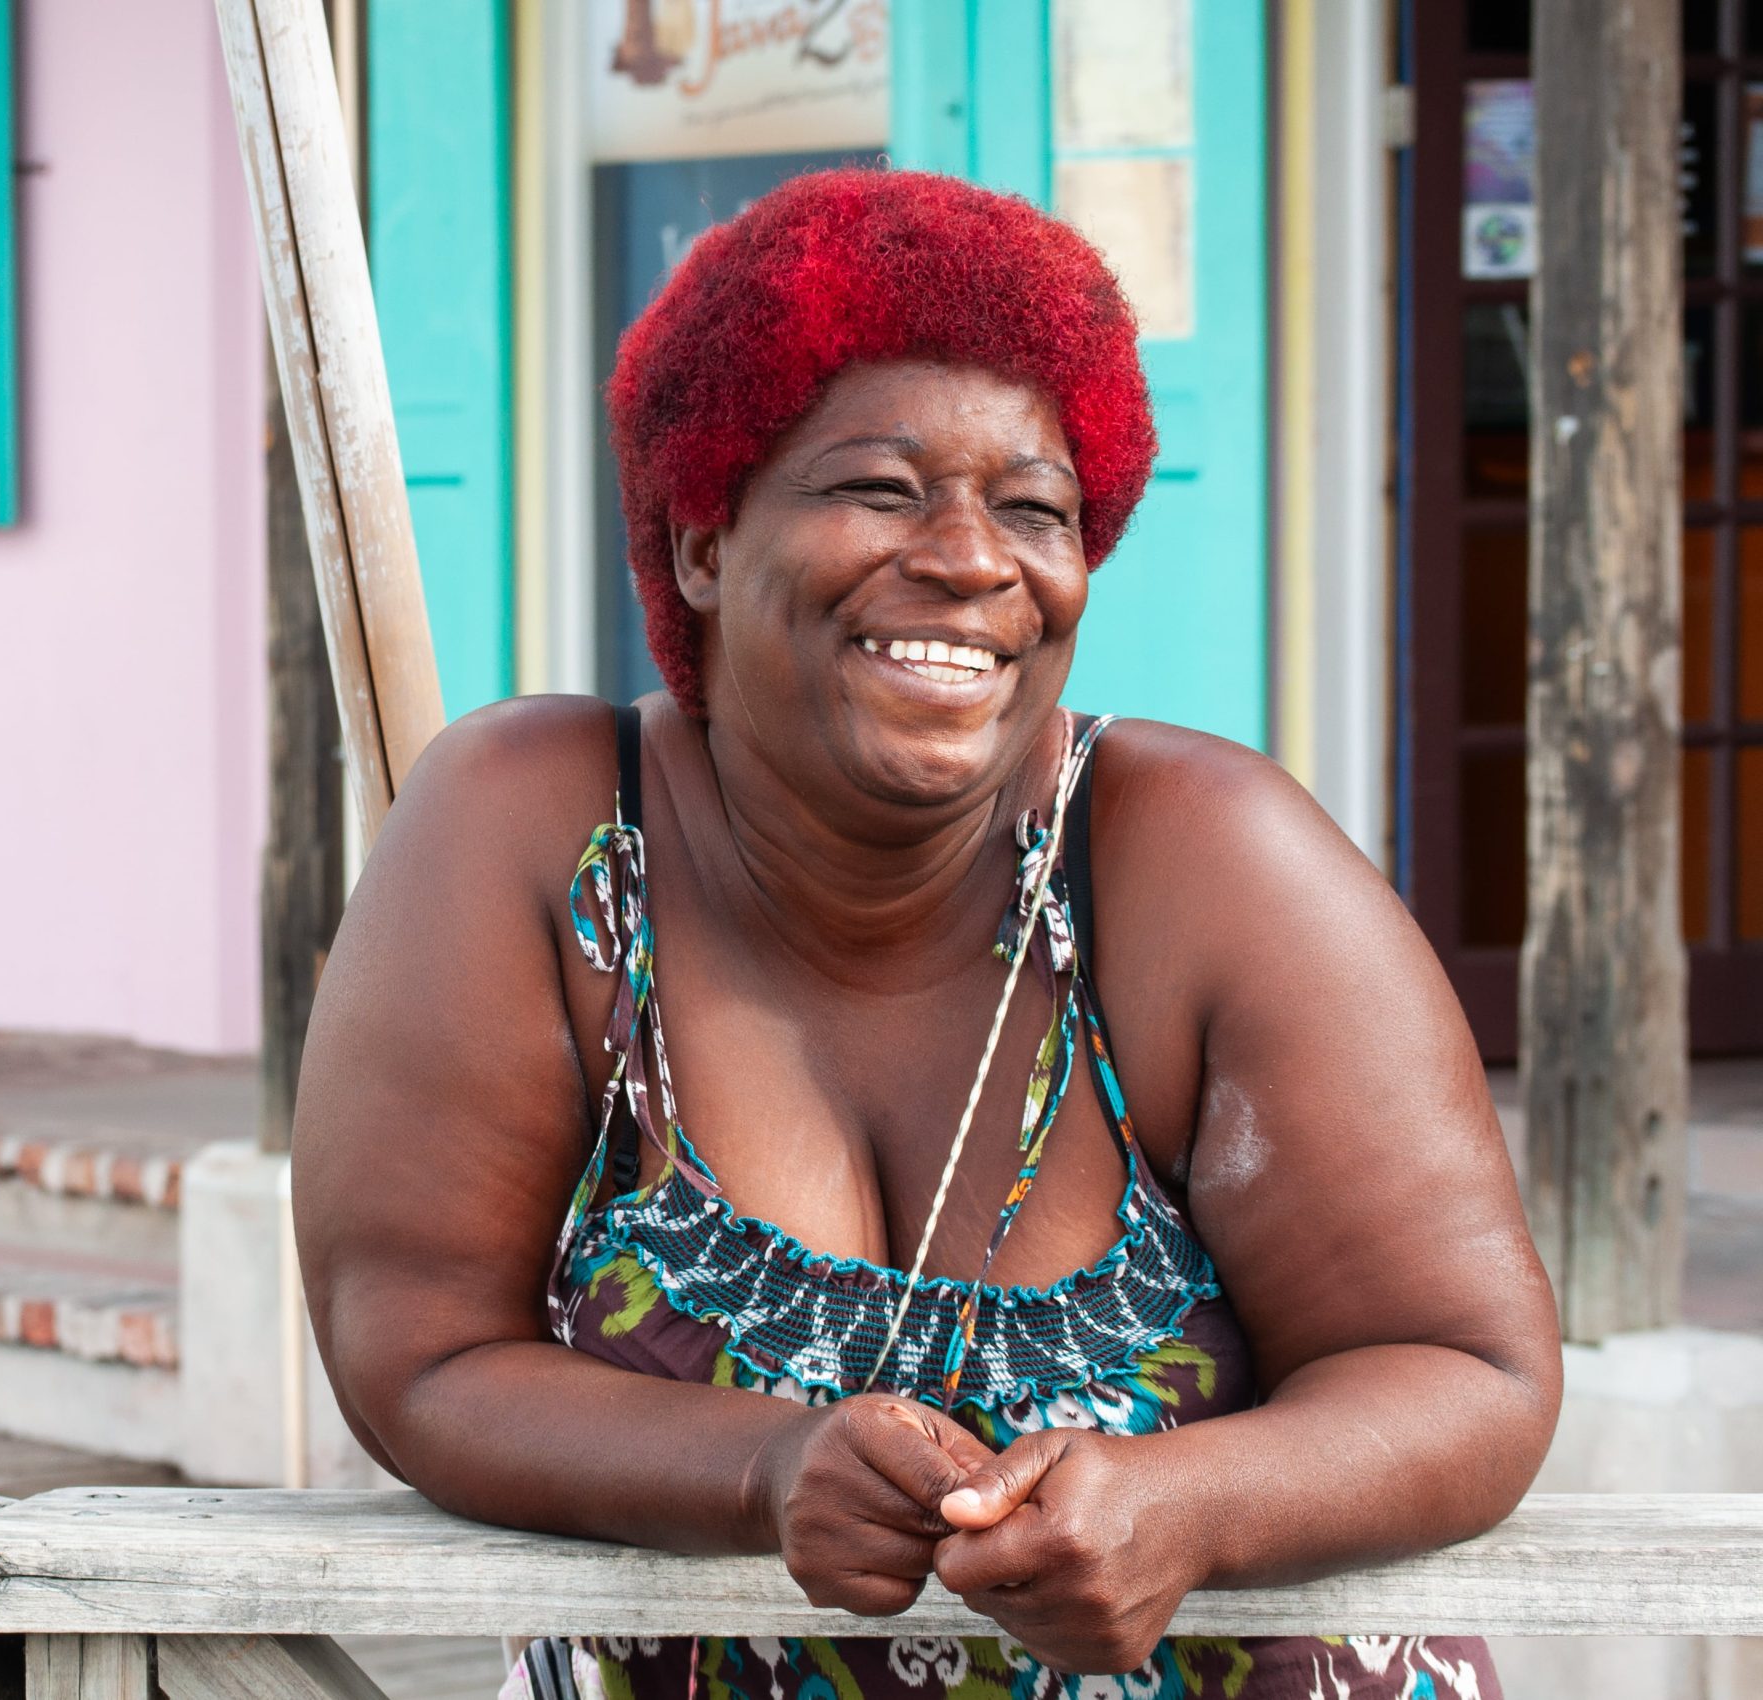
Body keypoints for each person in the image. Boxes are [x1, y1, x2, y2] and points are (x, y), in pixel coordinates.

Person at [292, 170, 1562, 1700]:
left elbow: (1466, 1370)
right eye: (880, 490)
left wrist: (1188, 1507)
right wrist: (762, 1470)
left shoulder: (1204, 861)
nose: (970, 560)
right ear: (702, 539)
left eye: (1033, 507)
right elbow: (419, 1358)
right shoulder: (540, 836)